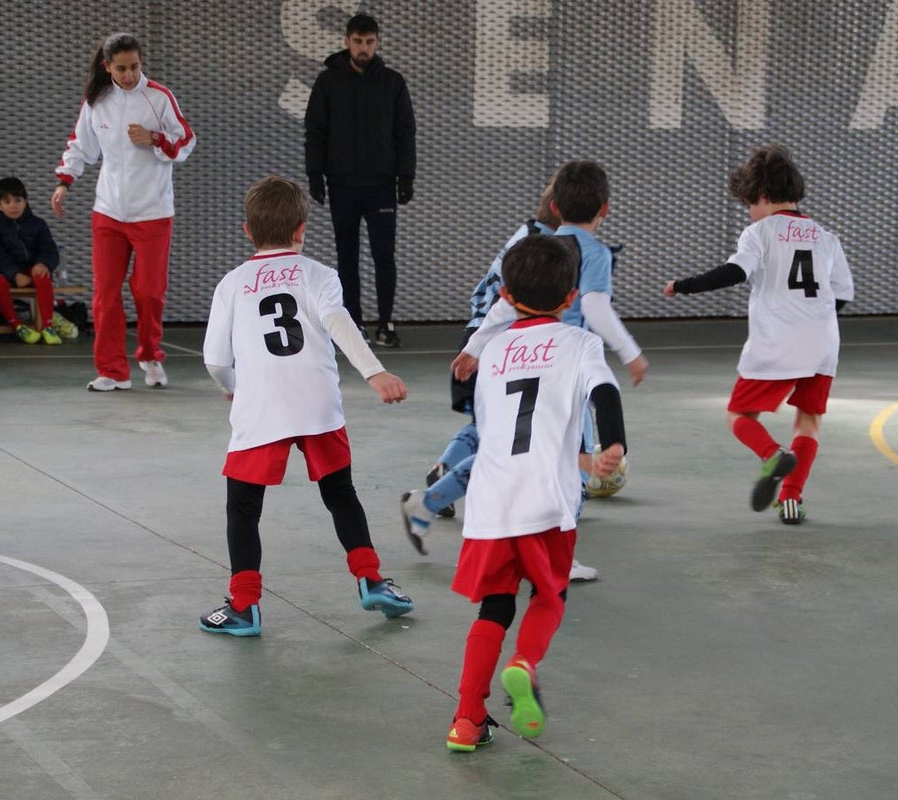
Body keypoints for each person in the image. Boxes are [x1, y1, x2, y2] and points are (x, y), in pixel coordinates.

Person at [405, 161, 648, 578]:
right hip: (560, 367)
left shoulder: (540, 246)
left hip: (516, 357)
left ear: (554, 206)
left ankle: (426, 502)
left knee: (500, 448)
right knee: (570, 458)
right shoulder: (594, 254)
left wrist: (476, 347)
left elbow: (504, 301)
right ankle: (557, 559)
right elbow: (593, 306)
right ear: (605, 208)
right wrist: (629, 352)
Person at [199, 175, 412, 637]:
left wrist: (233, 387)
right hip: (317, 407)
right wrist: (375, 372)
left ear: (247, 231)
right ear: (301, 229)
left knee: (243, 509)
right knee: (341, 495)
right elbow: (339, 322)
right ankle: (371, 580)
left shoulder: (232, 284)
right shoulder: (319, 275)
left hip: (262, 411)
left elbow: (215, 359)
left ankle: (244, 606)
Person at [443, 234, 627, 752]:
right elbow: (604, 392)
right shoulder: (580, 343)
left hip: (490, 503)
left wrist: (476, 343)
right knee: (550, 594)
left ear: (505, 291)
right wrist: (611, 444)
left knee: (494, 607)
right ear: (571, 298)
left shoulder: (492, 351)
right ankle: (524, 663)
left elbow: (511, 433)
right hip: (546, 500)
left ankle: (466, 720)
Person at [663, 144, 853, 524]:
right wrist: (813, 322)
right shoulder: (826, 237)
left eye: (750, 202)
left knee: (738, 415)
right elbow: (843, 294)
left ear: (764, 197)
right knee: (809, 421)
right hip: (823, 343)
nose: (749, 211)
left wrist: (681, 286)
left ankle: (772, 455)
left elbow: (735, 272)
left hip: (776, 343)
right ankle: (791, 498)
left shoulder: (760, 232)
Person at [52, 32, 195, 390]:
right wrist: (64, 182)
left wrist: (155, 139)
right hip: (109, 212)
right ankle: (112, 371)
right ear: (107, 66)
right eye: (121, 68)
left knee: (148, 292)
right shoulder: (96, 101)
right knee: (105, 293)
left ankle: (150, 354)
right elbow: (80, 146)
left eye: (134, 67)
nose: (129, 74)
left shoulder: (159, 98)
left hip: (153, 212)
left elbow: (186, 142)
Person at [305, 13, 416, 348]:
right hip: (342, 184)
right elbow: (315, 131)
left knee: (384, 255)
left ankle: (386, 323)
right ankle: (353, 323)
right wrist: (315, 174)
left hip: (381, 184)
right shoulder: (328, 82)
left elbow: (405, 133)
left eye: (369, 42)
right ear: (346, 42)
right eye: (357, 41)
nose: (363, 48)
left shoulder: (393, 83)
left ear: (377, 42)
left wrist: (405, 176)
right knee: (346, 256)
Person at [0, 176, 78, 345]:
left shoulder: (38, 224)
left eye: (18, 200)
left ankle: (47, 326)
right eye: (7, 201)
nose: (13, 205)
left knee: (43, 276)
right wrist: (14, 274)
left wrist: (43, 263)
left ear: (25, 202)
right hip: (4, 271)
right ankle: (17, 325)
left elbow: (49, 250)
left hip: (31, 269)